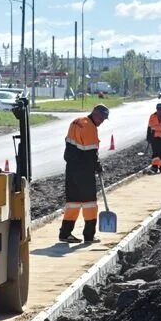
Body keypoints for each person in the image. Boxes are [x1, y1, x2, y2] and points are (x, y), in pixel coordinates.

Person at [59, 104, 110, 243]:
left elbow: (70, 146)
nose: (101, 121)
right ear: (94, 112)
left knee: (73, 202)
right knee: (90, 204)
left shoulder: (76, 122)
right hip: (84, 171)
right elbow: (91, 154)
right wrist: (97, 166)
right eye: (100, 117)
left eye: (103, 119)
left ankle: (65, 233)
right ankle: (89, 235)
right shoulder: (90, 128)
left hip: (71, 169)